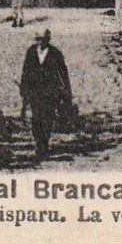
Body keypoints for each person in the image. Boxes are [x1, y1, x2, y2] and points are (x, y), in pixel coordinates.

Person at [19, 29, 74, 158]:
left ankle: (45, 142)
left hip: (50, 93)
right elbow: (25, 71)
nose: (40, 42)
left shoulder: (55, 54)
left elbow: (63, 74)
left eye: (42, 40)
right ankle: (39, 142)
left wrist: (66, 92)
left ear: (47, 40)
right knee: (36, 118)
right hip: (35, 92)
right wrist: (24, 89)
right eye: (37, 39)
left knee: (48, 118)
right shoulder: (31, 52)